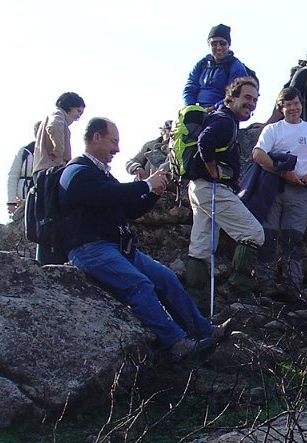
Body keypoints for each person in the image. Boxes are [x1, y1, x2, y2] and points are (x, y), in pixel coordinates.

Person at [58, 117, 230, 361]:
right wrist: (146, 185)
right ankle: (176, 343)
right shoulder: (76, 171)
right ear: (96, 138)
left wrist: (153, 193)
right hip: (89, 249)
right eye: (113, 142)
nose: (117, 149)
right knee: (139, 285)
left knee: (166, 278)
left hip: (118, 249)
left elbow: (127, 210)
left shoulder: (99, 174)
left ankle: (204, 332)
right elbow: (108, 194)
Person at [184, 77, 266, 302]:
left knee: (200, 247)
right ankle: (238, 292)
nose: (251, 103)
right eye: (247, 97)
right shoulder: (225, 121)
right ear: (232, 98)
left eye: (255, 100)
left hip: (198, 187)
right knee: (253, 233)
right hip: (212, 187)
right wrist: (212, 169)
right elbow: (205, 141)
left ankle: (195, 302)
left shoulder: (219, 116)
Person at [251, 86, 307, 302]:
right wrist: (282, 172)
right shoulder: (273, 130)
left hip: (300, 190)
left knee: (293, 238)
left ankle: (292, 285)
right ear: (281, 108)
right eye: (288, 105)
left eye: (296, 104)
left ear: (301, 104)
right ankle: (265, 283)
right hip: (272, 187)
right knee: (268, 235)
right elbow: (258, 154)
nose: (293, 108)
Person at [183, 24, 257, 109]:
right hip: (200, 108)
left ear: (229, 45)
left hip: (223, 111)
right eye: (214, 44)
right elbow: (190, 87)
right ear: (209, 45)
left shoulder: (236, 67)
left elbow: (235, 96)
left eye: (223, 44)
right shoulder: (201, 64)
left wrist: (213, 108)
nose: (218, 48)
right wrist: (190, 106)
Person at [32, 92, 86, 177]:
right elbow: (54, 125)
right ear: (69, 107)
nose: (79, 116)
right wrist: (58, 153)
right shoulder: (58, 115)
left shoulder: (55, 117)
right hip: (50, 170)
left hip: (45, 170)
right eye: (78, 111)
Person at [7, 122, 41, 217]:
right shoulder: (25, 151)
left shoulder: (55, 152)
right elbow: (13, 176)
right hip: (22, 199)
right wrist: (11, 201)